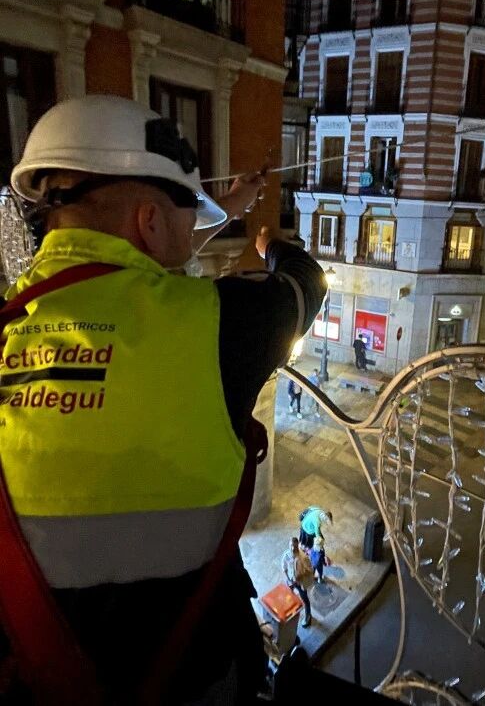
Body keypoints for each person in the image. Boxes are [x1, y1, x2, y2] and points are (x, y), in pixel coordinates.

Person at [0, 96, 327, 704]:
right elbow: (305, 282)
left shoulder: (7, 323)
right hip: (190, 677)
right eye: (186, 216)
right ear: (150, 222)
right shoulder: (220, 324)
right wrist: (267, 243)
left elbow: (124, 275)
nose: (195, 230)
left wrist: (213, 209)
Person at [281, 537, 312, 628]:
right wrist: (288, 579)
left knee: (304, 598)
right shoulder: (286, 555)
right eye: (291, 546)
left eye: (294, 546)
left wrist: (301, 576)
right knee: (289, 596)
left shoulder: (303, 558)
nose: (292, 548)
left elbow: (310, 569)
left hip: (300, 583)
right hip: (290, 581)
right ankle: (291, 612)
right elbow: (284, 567)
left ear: (297, 545)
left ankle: (308, 615)